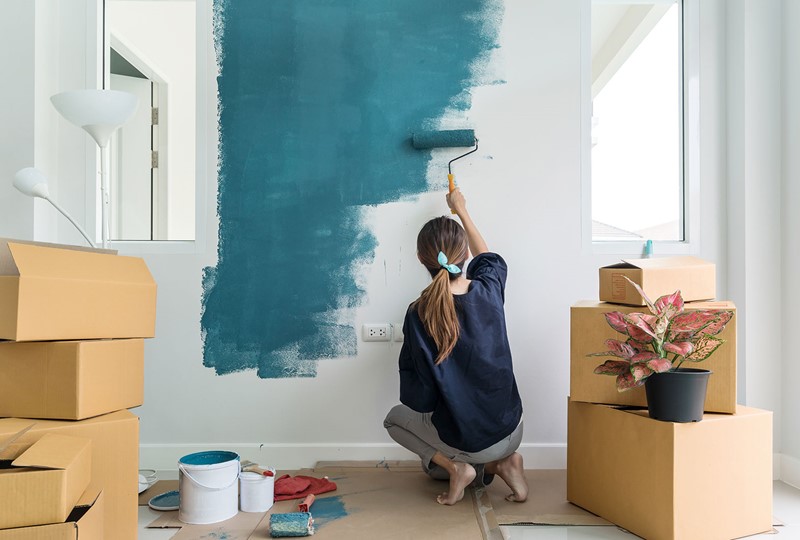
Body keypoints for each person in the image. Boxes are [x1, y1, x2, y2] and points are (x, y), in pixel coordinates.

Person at [383, 187, 528, 506]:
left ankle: (458, 467)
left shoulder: (418, 314)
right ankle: (502, 461)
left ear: (422, 260)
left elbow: (420, 399)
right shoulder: (489, 290)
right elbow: (488, 257)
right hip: (513, 428)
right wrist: (461, 209)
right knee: (435, 464)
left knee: (396, 422)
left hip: (474, 441)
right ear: (464, 255)